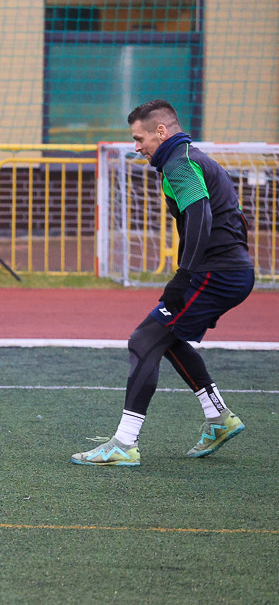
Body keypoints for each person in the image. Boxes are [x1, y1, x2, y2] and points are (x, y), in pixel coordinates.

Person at [71, 100, 255, 467]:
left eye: (139, 138)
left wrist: (184, 274)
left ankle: (124, 444)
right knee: (166, 338)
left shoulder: (179, 161)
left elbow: (200, 217)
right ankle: (218, 416)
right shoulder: (185, 156)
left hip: (216, 273)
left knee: (144, 339)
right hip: (226, 271)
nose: (136, 146)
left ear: (161, 131)